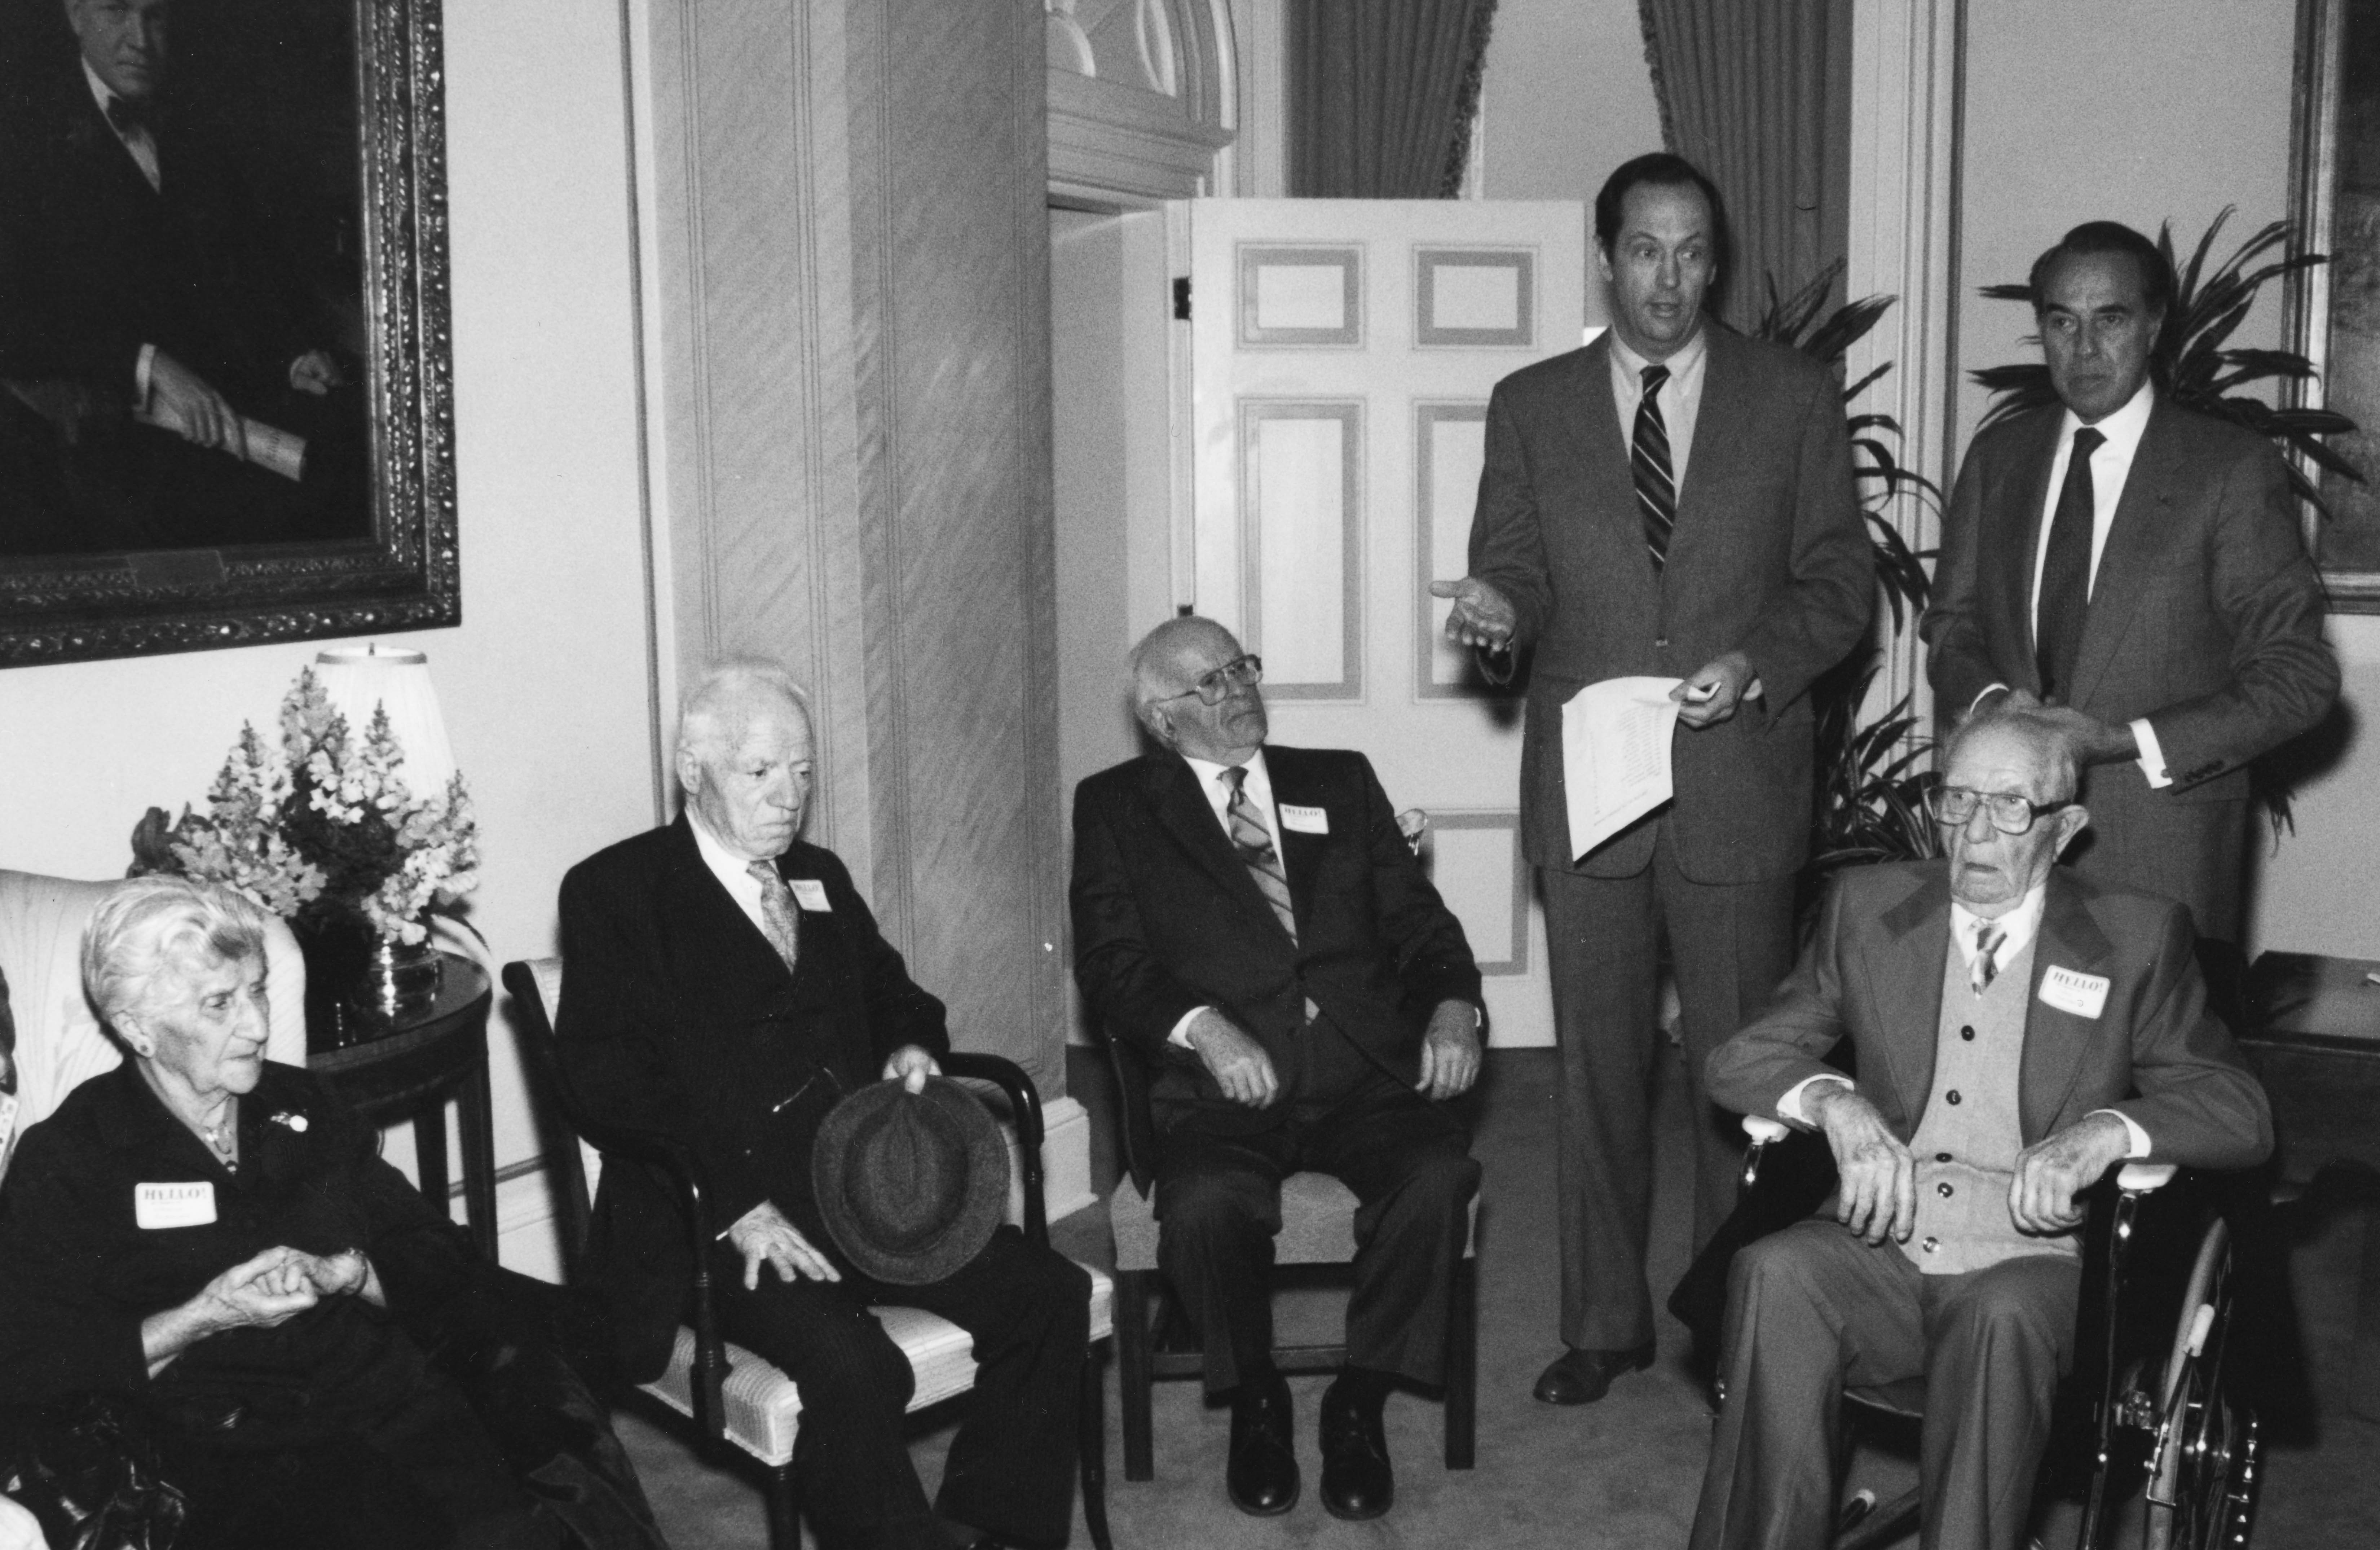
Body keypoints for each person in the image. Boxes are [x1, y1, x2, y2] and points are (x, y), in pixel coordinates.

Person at [1432, 151, 1873, 1404]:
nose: (1668, 277)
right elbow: (1512, 565)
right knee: (1597, 1072)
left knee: (1739, 1078)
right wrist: (1494, 612)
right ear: (1606, 254)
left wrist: (1758, 662)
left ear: (1714, 260)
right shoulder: (1532, 403)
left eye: (1691, 252)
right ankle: (1604, 1323)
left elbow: (1838, 579)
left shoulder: (1791, 398)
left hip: (1738, 776)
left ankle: (1734, 1317)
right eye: (1644, 249)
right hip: (1594, 789)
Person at [1688, 706, 2272, 1550]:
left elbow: (2240, 1110)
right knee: (1774, 1272)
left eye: (2011, 807)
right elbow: (1741, 1057)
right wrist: (1833, 1101)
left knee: (1999, 1319)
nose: (1975, 833)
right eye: (1958, 801)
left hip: (2033, 1262)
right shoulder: (1870, 909)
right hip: (1882, 1244)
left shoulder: (2136, 936)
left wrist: (2106, 1131)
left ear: (2065, 828)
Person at [555, 660, 1088, 1550]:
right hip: (715, 1213)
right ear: (694, 769)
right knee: (854, 1365)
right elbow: (605, 1081)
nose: (788, 795)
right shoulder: (619, 892)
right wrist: (735, 1208)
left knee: (1048, 1293)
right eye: (760, 771)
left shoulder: (819, 877)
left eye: (802, 771)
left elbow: (899, 996)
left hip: (861, 1190)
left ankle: (991, 1526)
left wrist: (915, 1043)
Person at [0, 877, 665, 1550]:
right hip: (229, 1450)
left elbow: (433, 1248)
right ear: (137, 1026)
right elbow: (36, 1364)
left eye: (257, 989)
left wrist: (347, 1272)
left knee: (539, 1512)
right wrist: (204, 1315)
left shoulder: (303, 1105)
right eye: (219, 1004)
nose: (258, 1025)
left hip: (384, 1396)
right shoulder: (73, 1157)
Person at [1070, 616, 1484, 1523]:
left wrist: (1457, 1003)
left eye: (1241, 668)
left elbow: (1422, 923)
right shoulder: (1115, 806)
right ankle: (1255, 1397)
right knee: (1205, 1204)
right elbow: (1110, 963)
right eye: (1209, 685)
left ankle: (1358, 1400)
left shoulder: (1337, 778)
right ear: (1161, 719)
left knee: (1438, 1174)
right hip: (1222, 1086)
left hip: (1359, 1070)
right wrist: (1201, 1028)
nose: (1238, 690)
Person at [1921, 220, 2338, 989]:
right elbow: (1951, 624)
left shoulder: (2228, 469)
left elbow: (2298, 676)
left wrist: (2119, 739)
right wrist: (2001, 713)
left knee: (2152, 1097)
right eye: (2061, 321)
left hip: (2160, 851)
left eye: (2109, 319)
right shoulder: (1998, 459)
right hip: (2005, 844)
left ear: (2153, 325)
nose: (2084, 348)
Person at [0, 0, 366, 549]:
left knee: (361, 451)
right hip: (109, 439)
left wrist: (295, 353)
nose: (141, 39)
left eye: (156, 17)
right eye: (116, 11)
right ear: (74, 14)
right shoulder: (22, 144)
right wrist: (145, 362)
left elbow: (249, 274)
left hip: (234, 408)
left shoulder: (195, 128)